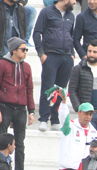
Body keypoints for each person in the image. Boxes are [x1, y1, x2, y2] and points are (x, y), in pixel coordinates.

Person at [0, 37, 33, 170]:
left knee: (19, 143)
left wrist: (32, 111)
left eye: (26, 49)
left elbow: (30, 90)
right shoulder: (1, 64)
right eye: (23, 49)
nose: (26, 52)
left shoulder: (26, 67)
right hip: (5, 107)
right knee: (1, 141)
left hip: (21, 109)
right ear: (14, 50)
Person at [33, 0, 75, 132]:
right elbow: (36, 33)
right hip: (50, 55)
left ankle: (55, 119)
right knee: (48, 87)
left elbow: (71, 35)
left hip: (67, 56)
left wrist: (72, 54)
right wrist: (41, 54)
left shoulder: (71, 16)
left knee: (61, 89)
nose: (75, 2)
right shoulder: (46, 12)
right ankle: (44, 119)